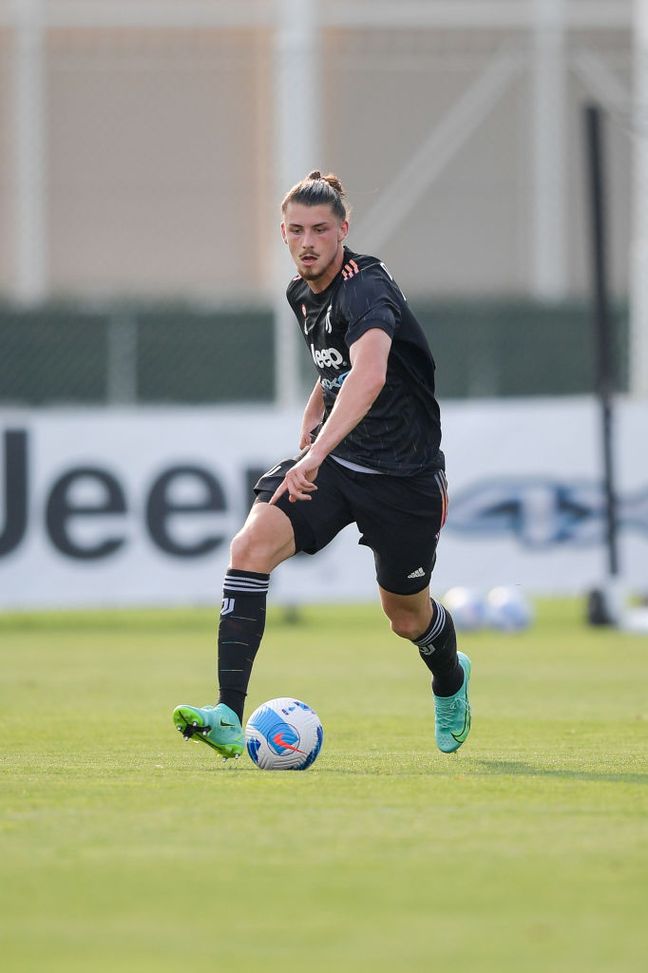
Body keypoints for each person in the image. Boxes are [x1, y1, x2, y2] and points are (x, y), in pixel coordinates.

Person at [173, 170, 471, 759]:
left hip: (404, 478)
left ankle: (450, 679)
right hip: (339, 465)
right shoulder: (301, 293)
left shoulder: (368, 289)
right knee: (250, 547)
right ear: (283, 233)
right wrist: (310, 434)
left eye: (320, 230)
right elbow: (331, 371)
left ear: (343, 231)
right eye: (296, 231)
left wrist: (312, 453)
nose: (307, 242)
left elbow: (369, 375)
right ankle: (229, 714)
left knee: (406, 618)